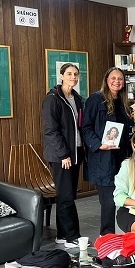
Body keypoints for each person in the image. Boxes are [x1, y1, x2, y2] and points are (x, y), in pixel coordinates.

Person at [83, 67, 131, 235]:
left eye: (120, 79)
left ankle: (122, 234)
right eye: (113, 78)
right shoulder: (95, 99)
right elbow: (86, 128)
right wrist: (98, 144)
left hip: (121, 157)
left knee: (122, 197)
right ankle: (107, 236)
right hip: (102, 158)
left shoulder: (124, 102)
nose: (117, 81)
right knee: (108, 202)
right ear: (106, 80)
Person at [42, 62, 84, 248]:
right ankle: (70, 236)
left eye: (75, 74)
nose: (73, 77)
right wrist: (64, 155)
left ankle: (63, 234)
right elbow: (51, 131)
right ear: (61, 76)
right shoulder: (53, 99)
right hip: (62, 156)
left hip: (76, 153)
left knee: (68, 194)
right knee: (66, 195)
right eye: (69, 74)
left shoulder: (77, 98)